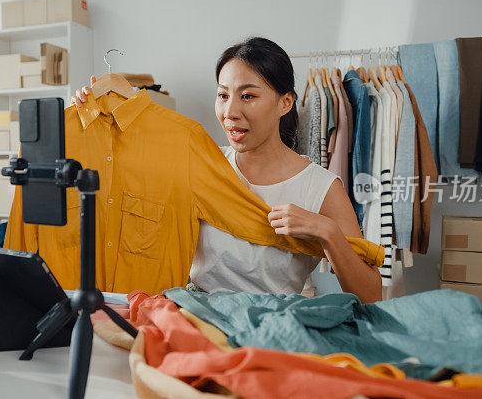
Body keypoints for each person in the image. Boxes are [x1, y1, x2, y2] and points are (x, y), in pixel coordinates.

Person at [72, 37, 382, 303]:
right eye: (223, 95)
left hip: (272, 333)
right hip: (195, 324)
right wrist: (94, 117)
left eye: (248, 96)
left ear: (285, 103)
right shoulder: (198, 165)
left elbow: (371, 297)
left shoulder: (322, 187)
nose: (230, 112)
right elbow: (124, 176)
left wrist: (327, 233)